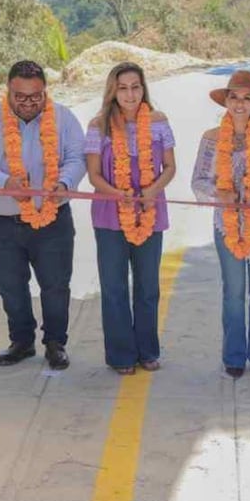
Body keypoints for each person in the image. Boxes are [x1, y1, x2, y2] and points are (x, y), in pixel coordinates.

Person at [0, 60, 86, 370]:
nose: (29, 103)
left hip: (53, 221)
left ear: (45, 91)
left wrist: (65, 182)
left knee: (56, 285)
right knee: (10, 285)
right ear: (8, 91)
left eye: (36, 96)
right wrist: (4, 182)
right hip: (0, 223)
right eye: (20, 96)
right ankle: (21, 341)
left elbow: (77, 157)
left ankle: (55, 343)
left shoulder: (63, 117)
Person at [191, 70, 250, 379]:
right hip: (226, 225)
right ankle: (233, 356)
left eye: (247, 98)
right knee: (233, 292)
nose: (240, 104)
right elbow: (199, 180)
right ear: (226, 101)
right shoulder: (212, 138)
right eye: (234, 97)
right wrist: (222, 192)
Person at [85, 62, 176, 375]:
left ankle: (148, 351)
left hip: (151, 211)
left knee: (148, 286)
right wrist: (116, 192)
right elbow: (94, 174)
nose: (130, 94)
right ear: (113, 90)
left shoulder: (159, 121)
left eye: (135, 86)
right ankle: (121, 355)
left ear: (143, 88)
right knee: (114, 287)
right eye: (122, 87)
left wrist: (153, 189)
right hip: (110, 213)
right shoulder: (99, 125)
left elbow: (170, 167)